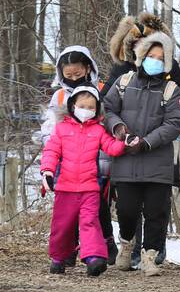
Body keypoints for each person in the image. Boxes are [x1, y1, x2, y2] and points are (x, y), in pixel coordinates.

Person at [107, 15, 180, 269]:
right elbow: (106, 105)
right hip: (126, 150)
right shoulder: (122, 74)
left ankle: (152, 253)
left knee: (157, 207)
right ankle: (129, 248)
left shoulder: (170, 74)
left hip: (157, 148)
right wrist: (120, 127)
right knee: (128, 206)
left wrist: (161, 116)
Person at [35, 45, 119, 265]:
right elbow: (50, 126)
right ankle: (69, 249)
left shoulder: (102, 88)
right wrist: (51, 151)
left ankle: (105, 243)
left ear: (88, 68)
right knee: (68, 209)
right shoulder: (60, 95)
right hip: (67, 161)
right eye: (68, 74)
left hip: (98, 158)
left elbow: (110, 119)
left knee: (98, 207)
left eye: (78, 74)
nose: (73, 78)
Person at [40, 86, 135, 276]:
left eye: (91, 107)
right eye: (82, 105)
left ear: (96, 110)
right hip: (65, 189)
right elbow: (51, 151)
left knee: (90, 222)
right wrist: (47, 172)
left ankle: (93, 258)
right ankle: (59, 258)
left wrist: (124, 143)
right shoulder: (61, 129)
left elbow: (111, 147)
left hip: (89, 189)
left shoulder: (98, 131)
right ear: (73, 105)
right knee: (62, 224)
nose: (86, 110)